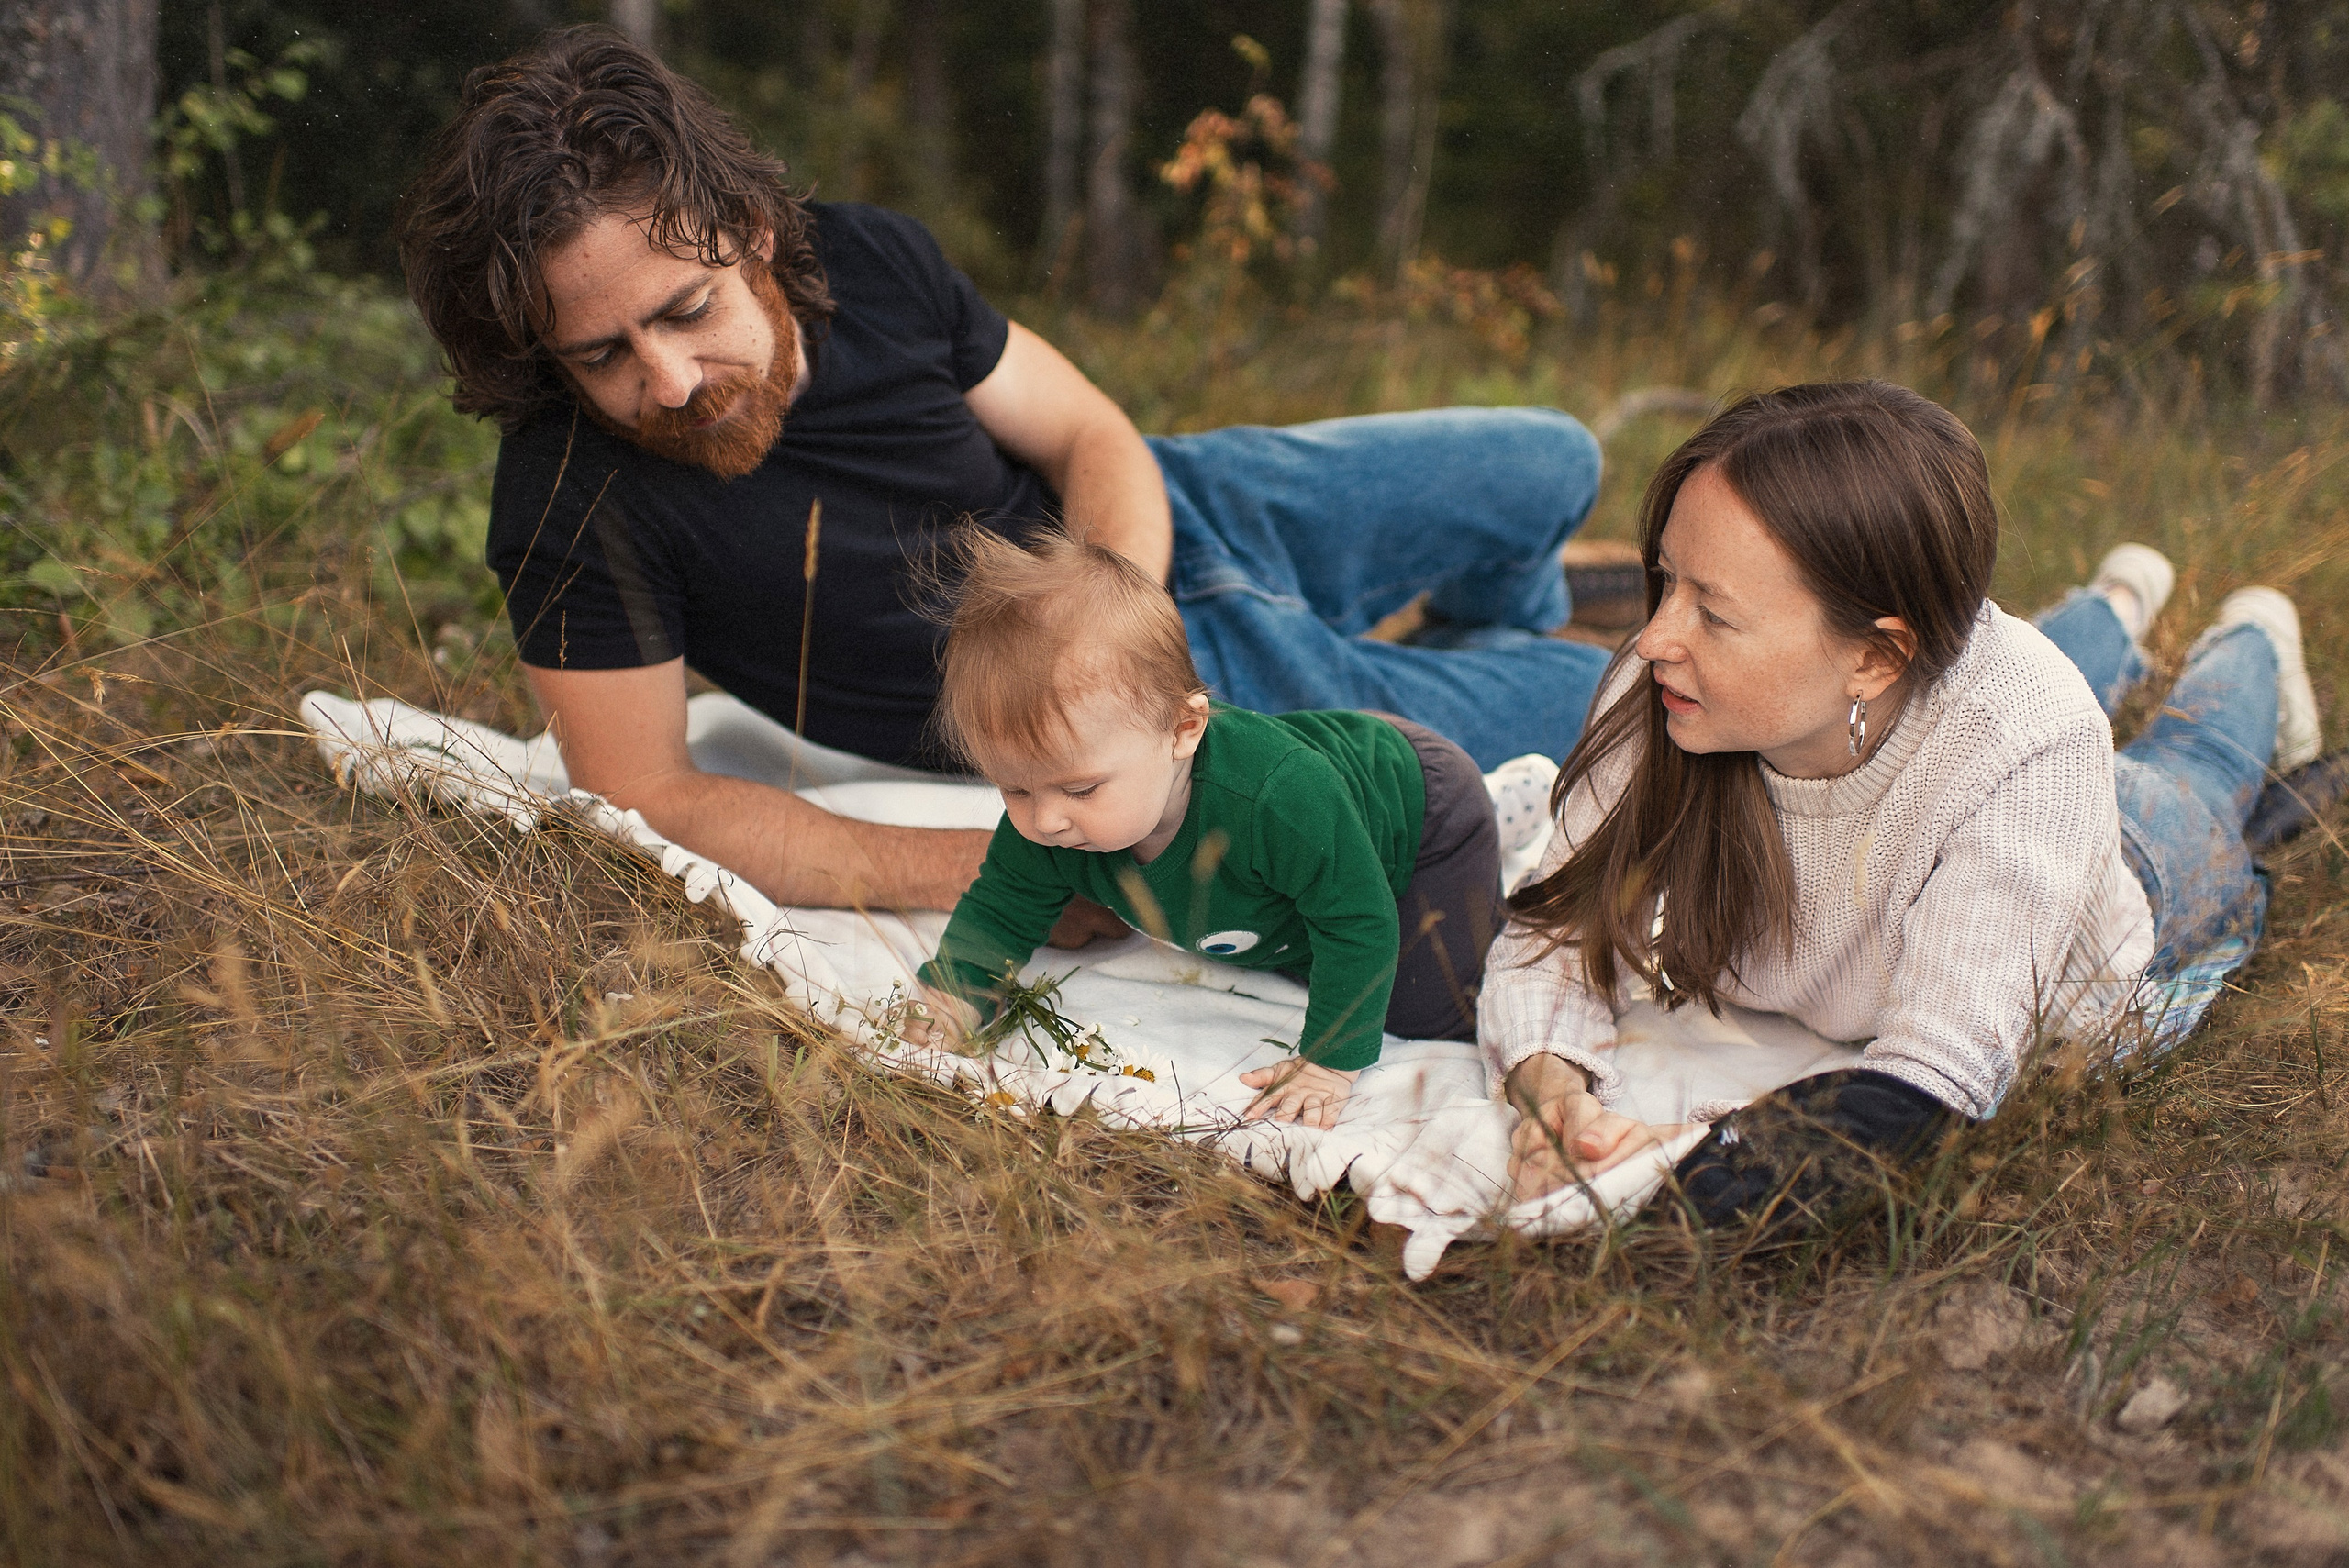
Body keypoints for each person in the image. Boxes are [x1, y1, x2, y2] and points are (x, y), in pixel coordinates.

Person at [392, 26, 1612, 932]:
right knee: (1613, 703)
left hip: (1177, 515)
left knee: (1556, 458)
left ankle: (1469, 634)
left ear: (749, 233)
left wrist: (1117, 594)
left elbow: (1089, 432)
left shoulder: (866, 256)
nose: (664, 380)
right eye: (602, 353)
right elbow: (650, 794)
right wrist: (1014, 868)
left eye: (687, 311)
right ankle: (1453, 665)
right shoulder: (564, 499)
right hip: (1163, 705)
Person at [1482, 380, 2321, 1229]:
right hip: (1962, 714)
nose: (1657, 635)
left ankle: (2254, 633)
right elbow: (1549, 931)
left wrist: (1687, 1159)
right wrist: (1556, 1102)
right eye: (1666, 581)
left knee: (2200, 760)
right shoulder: (1669, 683)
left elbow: (1935, 1079)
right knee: (2033, 655)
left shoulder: (2034, 742)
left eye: (1715, 613)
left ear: (1877, 658)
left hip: (2126, 858)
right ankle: (2118, 601)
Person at [901, 531, 1529, 1129]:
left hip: (1422, 813)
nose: (1045, 818)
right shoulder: (1056, 809)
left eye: (1081, 789)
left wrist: (1330, 1062)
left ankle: (1505, 807)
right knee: (1298, 939)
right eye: (1014, 787)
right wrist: (957, 991)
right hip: (1329, 800)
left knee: (1427, 1009)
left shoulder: (1275, 800)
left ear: (1182, 729)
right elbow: (1004, 901)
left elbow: (1359, 919)